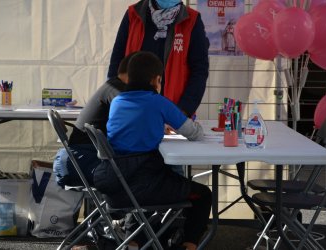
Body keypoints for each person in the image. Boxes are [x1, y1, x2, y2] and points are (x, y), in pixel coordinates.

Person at [94, 51, 212, 250]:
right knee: (203, 195)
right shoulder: (158, 102)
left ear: (129, 77)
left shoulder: (117, 102)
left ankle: (136, 242)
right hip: (145, 185)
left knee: (158, 185)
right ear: (156, 79)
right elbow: (194, 133)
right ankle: (189, 245)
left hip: (116, 185)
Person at [107, 0, 209, 118]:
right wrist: (117, 101)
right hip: (131, 109)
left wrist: (183, 111)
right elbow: (116, 63)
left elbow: (199, 71)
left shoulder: (192, 20)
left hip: (172, 111)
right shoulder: (133, 14)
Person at [52, 53, 135, 188]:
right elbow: (135, 112)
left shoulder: (111, 85)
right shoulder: (117, 89)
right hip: (83, 160)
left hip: (76, 159)